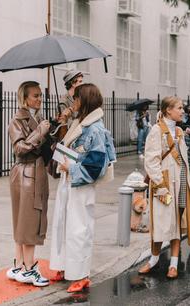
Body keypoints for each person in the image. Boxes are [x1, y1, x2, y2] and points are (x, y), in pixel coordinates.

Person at [50, 83, 116, 293]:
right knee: (62, 224)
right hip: (69, 181)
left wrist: (71, 167)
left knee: (79, 229)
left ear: (84, 101)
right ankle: (63, 266)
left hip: (80, 184)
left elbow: (97, 164)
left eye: (76, 99)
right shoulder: (80, 122)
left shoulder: (94, 128)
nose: (74, 102)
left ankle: (81, 274)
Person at [138, 96, 190, 279]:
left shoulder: (178, 131)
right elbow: (151, 161)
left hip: (181, 182)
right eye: (179, 107)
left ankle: (174, 263)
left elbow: (183, 159)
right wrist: (160, 186)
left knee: (177, 221)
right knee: (160, 222)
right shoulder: (156, 130)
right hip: (164, 184)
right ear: (168, 110)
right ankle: (153, 260)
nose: (183, 110)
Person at [6, 81, 51, 287]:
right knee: (29, 221)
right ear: (24, 98)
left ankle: (19, 265)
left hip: (31, 172)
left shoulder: (38, 118)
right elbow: (20, 149)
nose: (39, 99)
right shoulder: (17, 120)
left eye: (41, 95)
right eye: (35, 96)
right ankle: (29, 268)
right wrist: (40, 132)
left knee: (23, 221)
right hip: (26, 173)